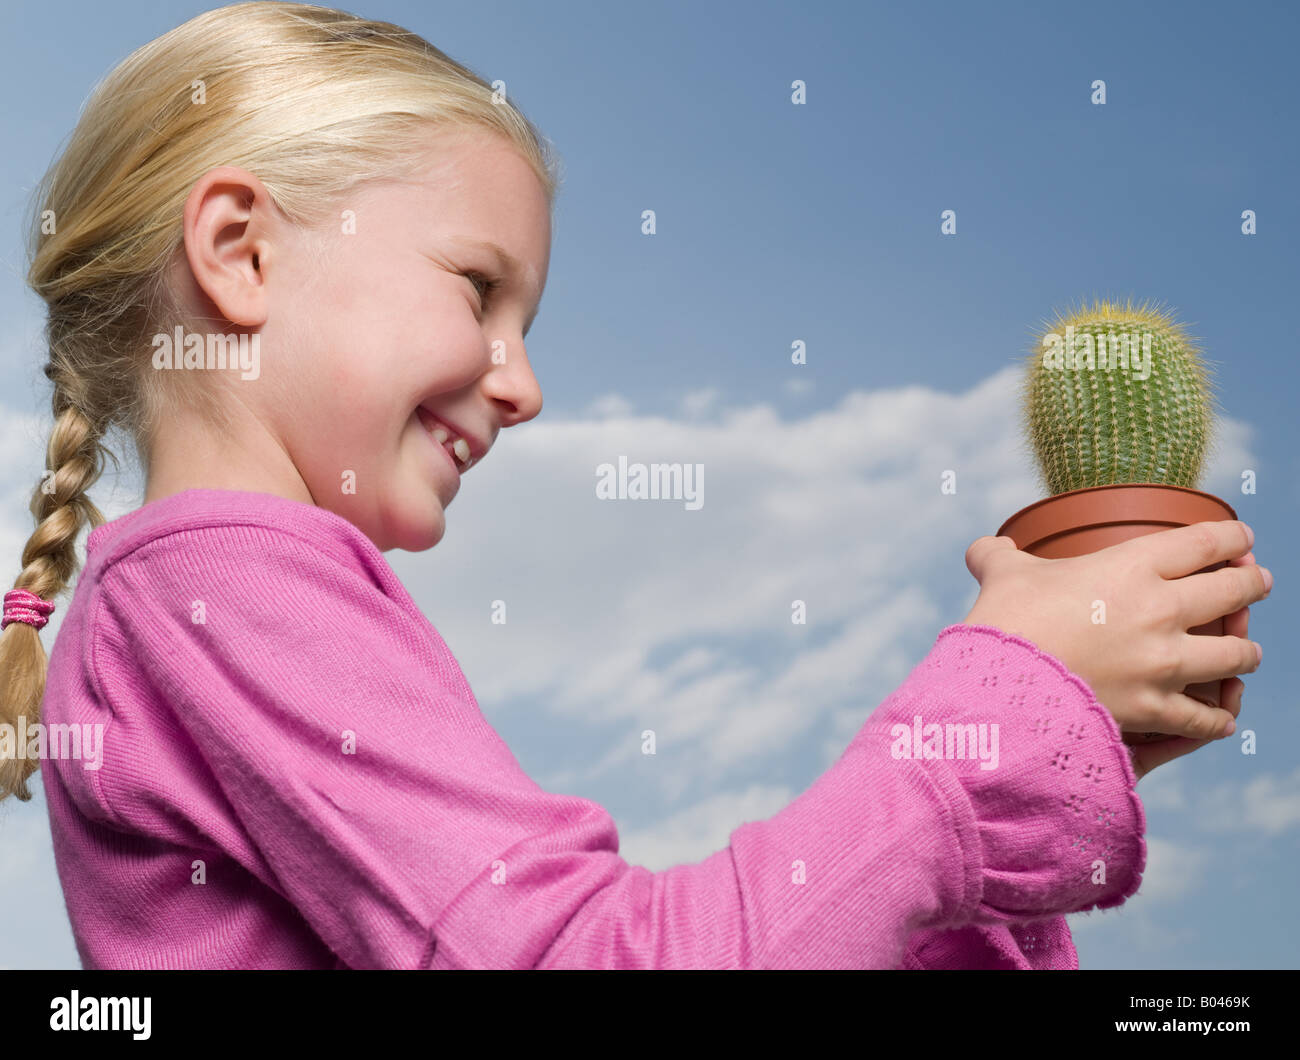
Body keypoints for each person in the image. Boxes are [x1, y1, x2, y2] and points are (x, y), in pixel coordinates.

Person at [0, 2, 1271, 969]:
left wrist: (1027, 771)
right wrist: (980, 738)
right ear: (241, 251)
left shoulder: (190, 601)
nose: (522, 385)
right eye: (478, 290)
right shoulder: (221, 583)